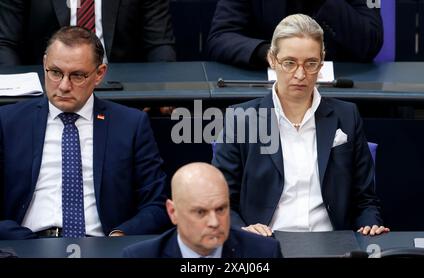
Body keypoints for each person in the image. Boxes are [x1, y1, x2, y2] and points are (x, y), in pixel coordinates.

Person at [212, 14, 390, 237]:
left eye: (311, 64)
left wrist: (369, 224)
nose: (300, 74)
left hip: (331, 242)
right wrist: (243, 230)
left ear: (322, 62)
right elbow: (221, 200)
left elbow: (365, 200)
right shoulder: (240, 118)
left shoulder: (347, 116)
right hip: (266, 241)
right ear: (272, 60)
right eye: (289, 63)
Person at [0, 26, 171, 239]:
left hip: (102, 246)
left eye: (77, 76)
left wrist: (119, 236)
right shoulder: (8, 122)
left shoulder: (131, 125)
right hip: (27, 245)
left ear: (99, 74)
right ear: (44, 64)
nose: (63, 86)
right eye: (55, 72)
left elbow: (156, 205)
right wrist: (24, 242)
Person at [123, 162, 283, 258]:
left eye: (220, 209)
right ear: (173, 212)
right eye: (200, 212)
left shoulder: (264, 253)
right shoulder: (139, 256)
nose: (214, 222)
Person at [207, 0, 383, 68]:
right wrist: (268, 52)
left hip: (341, 95)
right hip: (265, 93)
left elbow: (370, 41)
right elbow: (221, 37)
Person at [0, 0, 176, 65]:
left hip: (120, 92)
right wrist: (19, 100)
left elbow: (159, 45)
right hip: (49, 92)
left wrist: (157, 93)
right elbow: (6, 43)